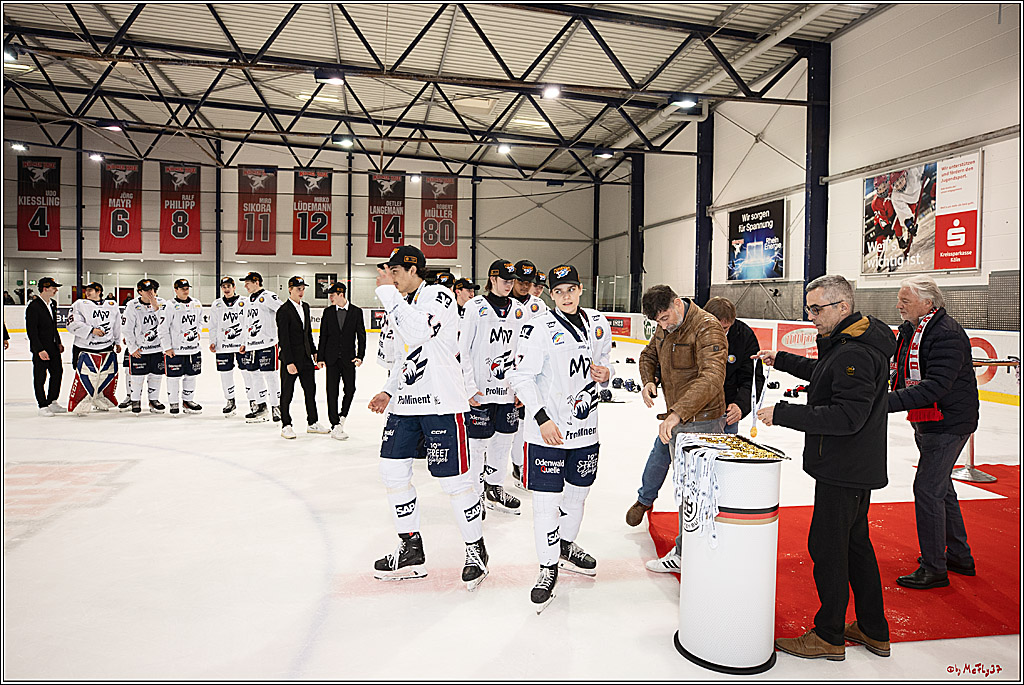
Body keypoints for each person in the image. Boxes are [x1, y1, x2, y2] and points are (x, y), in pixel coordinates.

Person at [756, 274, 894, 662]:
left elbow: (846, 417)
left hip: (844, 468)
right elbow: (825, 374)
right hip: (852, 465)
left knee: (829, 548)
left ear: (842, 307)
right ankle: (873, 628)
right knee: (855, 545)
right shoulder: (849, 344)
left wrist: (783, 414)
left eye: (817, 309)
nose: (811, 316)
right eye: (809, 309)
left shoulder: (855, 353)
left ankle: (829, 634)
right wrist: (782, 359)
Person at [367, 246, 488, 591]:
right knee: (392, 473)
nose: (391, 278)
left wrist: (387, 293)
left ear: (412, 269)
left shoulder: (439, 295)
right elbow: (404, 355)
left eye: (395, 271)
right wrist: (388, 390)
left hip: (441, 405)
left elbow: (421, 331)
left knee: (455, 482)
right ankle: (410, 548)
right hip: (405, 405)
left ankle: (476, 549)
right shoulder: (401, 303)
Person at [509, 263, 613, 611]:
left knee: (578, 497)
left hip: (586, 429)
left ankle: (565, 545)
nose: (566, 297)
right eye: (558, 292)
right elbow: (521, 377)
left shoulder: (598, 322)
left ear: (581, 289)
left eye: (571, 289)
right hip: (548, 433)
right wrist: (542, 418)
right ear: (550, 295)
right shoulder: (539, 327)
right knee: (545, 504)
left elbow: (604, 364)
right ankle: (547, 566)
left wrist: (606, 373)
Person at [889, 275, 979, 589]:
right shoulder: (912, 330)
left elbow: (936, 386)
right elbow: (900, 371)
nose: (898, 306)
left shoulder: (945, 334)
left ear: (927, 303)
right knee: (942, 489)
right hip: (928, 420)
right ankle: (958, 556)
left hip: (948, 422)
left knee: (927, 489)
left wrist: (885, 403)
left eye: (905, 300)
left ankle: (934, 568)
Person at [634, 285, 728, 573]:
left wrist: (676, 413)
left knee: (698, 489)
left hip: (703, 421)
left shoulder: (706, 327)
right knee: (687, 487)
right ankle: (689, 550)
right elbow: (648, 355)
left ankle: (691, 553)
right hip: (680, 420)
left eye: (664, 318)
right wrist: (648, 380)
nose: (663, 326)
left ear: (677, 303)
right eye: (658, 322)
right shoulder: (666, 325)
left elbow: (712, 377)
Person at [459, 259, 526, 516]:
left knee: (504, 441)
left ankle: (494, 488)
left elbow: (522, 352)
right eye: (505, 280)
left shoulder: (518, 310)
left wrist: (520, 388)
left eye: (512, 281)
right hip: (481, 391)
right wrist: (468, 387)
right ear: (493, 279)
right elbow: (463, 349)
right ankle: (475, 494)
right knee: (477, 445)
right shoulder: (475, 307)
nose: (509, 285)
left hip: (507, 390)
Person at [510, 259, 549, 486]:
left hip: (529, 371)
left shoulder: (539, 305)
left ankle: (520, 464)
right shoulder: (503, 302)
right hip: (503, 372)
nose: (525, 286)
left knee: (524, 422)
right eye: (521, 282)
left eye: (529, 282)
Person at [276, 276, 329, 439]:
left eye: (303, 289)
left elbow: (308, 333)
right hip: (291, 359)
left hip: (306, 358)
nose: (301, 292)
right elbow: (283, 339)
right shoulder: (283, 311)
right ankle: (286, 425)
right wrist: (289, 362)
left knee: (310, 391)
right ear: (290, 289)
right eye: (298, 289)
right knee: (287, 393)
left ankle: (312, 422)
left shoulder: (305, 307)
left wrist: (314, 352)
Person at [703, 297, 764, 435]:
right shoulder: (693, 332)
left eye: (725, 328)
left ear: (732, 321)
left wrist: (740, 405)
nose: (719, 332)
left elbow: (752, 378)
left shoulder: (744, 336)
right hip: (694, 411)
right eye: (715, 327)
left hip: (726, 412)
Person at [317, 281, 366, 441]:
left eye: (333, 295)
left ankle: (342, 416)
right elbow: (323, 335)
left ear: (341, 294)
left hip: (348, 358)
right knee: (332, 392)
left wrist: (360, 356)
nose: (330, 298)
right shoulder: (328, 312)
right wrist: (321, 357)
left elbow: (361, 336)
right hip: (331, 359)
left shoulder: (356, 312)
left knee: (350, 389)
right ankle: (334, 423)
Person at [66, 282, 121, 412]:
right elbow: (72, 324)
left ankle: (100, 398)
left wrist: (118, 342)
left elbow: (116, 325)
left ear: (99, 291)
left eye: (90, 290)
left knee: (105, 374)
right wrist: (91, 330)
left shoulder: (112, 305)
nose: (87, 292)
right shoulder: (79, 304)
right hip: (84, 347)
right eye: (86, 290)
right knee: (86, 375)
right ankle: (80, 402)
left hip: (106, 346)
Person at [240, 272, 283, 423]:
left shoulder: (268, 296)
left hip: (267, 343)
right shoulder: (247, 301)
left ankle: (276, 407)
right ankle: (261, 406)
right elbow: (246, 323)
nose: (245, 286)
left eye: (248, 283)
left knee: (270, 376)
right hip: (252, 345)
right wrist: (244, 342)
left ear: (256, 282)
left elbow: (283, 311)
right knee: (254, 375)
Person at [209, 276, 255, 418]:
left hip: (241, 345)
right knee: (225, 374)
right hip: (223, 345)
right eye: (224, 287)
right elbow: (213, 324)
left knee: (248, 373)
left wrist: (247, 342)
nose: (226, 289)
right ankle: (230, 400)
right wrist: (212, 341)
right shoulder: (217, 304)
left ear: (234, 287)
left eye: (229, 286)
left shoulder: (245, 302)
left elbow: (250, 322)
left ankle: (253, 401)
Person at [157, 278, 203, 416]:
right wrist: (167, 347)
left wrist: (198, 332)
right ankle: (174, 402)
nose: (185, 291)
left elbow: (200, 321)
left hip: (193, 348)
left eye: (187, 288)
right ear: (176, 290)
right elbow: (163, 328)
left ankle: (188, 401)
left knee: (191, 376)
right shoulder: (169, 305)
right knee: (173, 377)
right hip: (176, 350)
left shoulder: (196, 303)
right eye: (182, 288)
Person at [122, 279, 167, 415]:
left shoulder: (162, 303)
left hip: (157, 348)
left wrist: (156, 307)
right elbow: (127, 329)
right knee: (137, 376)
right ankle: (135, 400)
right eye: (146, 290)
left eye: (151, 290)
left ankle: (154, 400)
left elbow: (166, 324)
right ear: (140, 292)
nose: (150, 293)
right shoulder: (132, 305)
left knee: (156, 375)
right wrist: (132, 348)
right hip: (140, 350)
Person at [26, 276, 65, 416]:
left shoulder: (53, 304)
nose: (56, 290)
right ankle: (42, 405)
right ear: (45, 288)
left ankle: (52, 401)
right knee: (40, 376)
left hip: (53, 346)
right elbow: (32, 331)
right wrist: (39, 349)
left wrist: (58, 342)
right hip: (41, 348)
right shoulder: (34, 306)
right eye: (53, 288)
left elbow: (54, 327)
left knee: (57, 373)